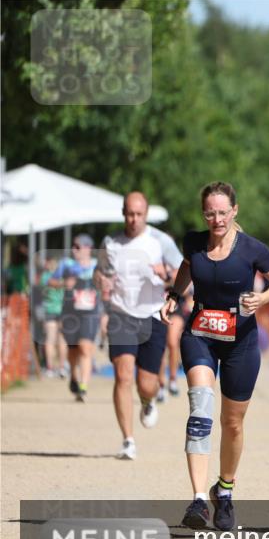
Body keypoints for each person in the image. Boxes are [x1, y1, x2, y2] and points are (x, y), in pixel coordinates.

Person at [160, 181, 269, 531]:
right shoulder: (194, 242)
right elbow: (187, 266)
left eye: (222, 212)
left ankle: (224, 491)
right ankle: (199, 500)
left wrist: (262, 299)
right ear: (204, 213)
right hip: (200, 335)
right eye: (210, 213)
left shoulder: (252, 249)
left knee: (232, 423)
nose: (216, 219)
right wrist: (175, 294)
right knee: (200, 410)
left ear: (234, 211)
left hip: (240, 343)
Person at [95, 191, 174, 460]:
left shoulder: (161, 241)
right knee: (123, 375)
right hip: (121, 314)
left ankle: (148, 400)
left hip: (152, 315)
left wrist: (166, 275)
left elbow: (183, 275)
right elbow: (99, 271)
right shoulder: (111, 242)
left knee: (146, 384)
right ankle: (128, 440)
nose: (133, 219)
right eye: (129, 213)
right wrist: (101, 281)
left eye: (139, 214)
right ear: (123, 213)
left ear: (146, 214)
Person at [55, 234, 101, 401]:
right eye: (73, 246)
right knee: (73, 349)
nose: (74, 250)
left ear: (88, 248)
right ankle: (73, 375)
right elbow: (50, 282)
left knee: (85, 347)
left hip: (90, 312)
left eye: (78, 246)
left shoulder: (98, 265)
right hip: (70, 312)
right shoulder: (66, 265)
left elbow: (109, 281)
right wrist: (63, 284)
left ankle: (83, 386)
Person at [146, 224, 185, 402]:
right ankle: (161, 384)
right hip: (155, 307)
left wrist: (166, 276)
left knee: (171, 341)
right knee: (159, 346)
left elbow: (183, 284)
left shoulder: (176, 262)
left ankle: (173, 379)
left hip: (175, 307)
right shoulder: (151, 260)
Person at [39, 256, 69, 378]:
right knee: (62, 340)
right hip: (62, 310)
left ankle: (50, 368)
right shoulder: (62, 278)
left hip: (49, 310)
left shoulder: (45, 277)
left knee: (50, 340)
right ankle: (62, 367)